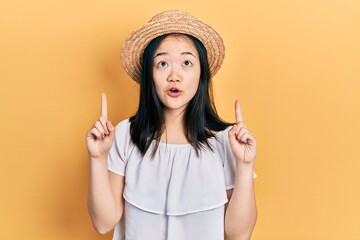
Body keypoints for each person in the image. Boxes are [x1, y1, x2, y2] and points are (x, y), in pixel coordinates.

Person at [87, 10, 257, 240]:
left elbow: (238, 235)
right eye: (163, 63)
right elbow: (102, 222)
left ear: (201, 73)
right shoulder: (126, 134)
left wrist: (245, 165)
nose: (174, 76)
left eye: (186, 62)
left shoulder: (225, 141)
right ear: (150, 73)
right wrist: (98, 158)